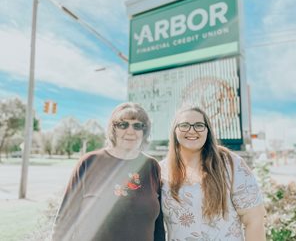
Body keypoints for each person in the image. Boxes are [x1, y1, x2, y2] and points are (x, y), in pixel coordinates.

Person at [52, 102, 165, 241]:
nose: (130, 131)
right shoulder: (88, 163)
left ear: (144, 131)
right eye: (123, 125)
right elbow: (65, 220)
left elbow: (158, 225)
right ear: (113, 129)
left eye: (137, 126)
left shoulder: (151, 166)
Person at [160, 106, 266, 241]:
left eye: (199, 125)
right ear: (174, 131)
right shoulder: (161, 170)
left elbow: (254, 219)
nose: (192, 130)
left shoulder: (231, 164)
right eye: (184, 125)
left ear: (207, 131)